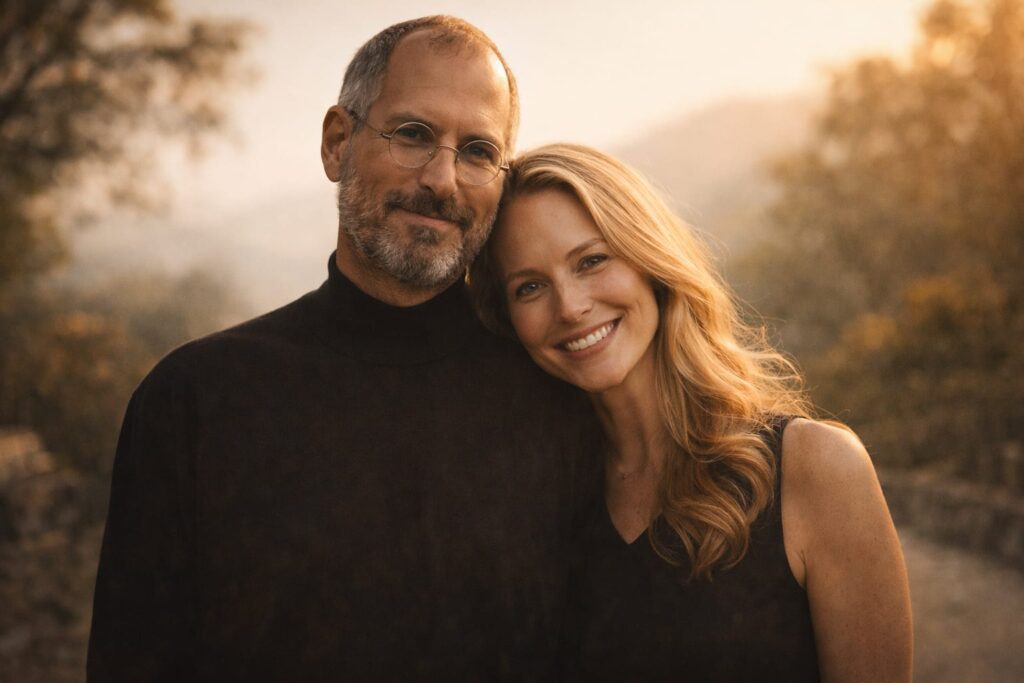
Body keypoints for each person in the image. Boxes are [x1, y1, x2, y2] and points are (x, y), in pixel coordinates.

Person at [88, 18, 601, 681]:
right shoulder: (194, 400)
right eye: (413, 135)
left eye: (477, 150)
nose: (443, 179)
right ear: (337, 143)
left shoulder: (561, 398)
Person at [469, 143, 914, 682]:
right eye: (530, 287)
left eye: (592, 260)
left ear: (649, 262)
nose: (570, 306)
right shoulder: (538, 505)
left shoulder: (816, 467)